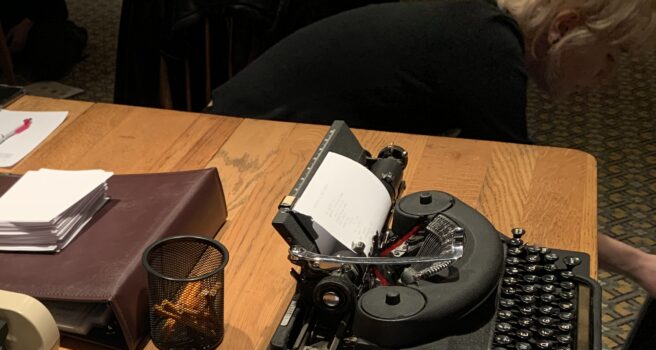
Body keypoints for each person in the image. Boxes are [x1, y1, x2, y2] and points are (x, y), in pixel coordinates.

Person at [208, 0, 656, 294]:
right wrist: (637, 264)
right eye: (611, 56)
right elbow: (525, 199)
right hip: (247, 145)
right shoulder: (487, 49)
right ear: (565, 26)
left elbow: (509, 167)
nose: (606, 80)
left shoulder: (482, 24)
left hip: (272, 134)